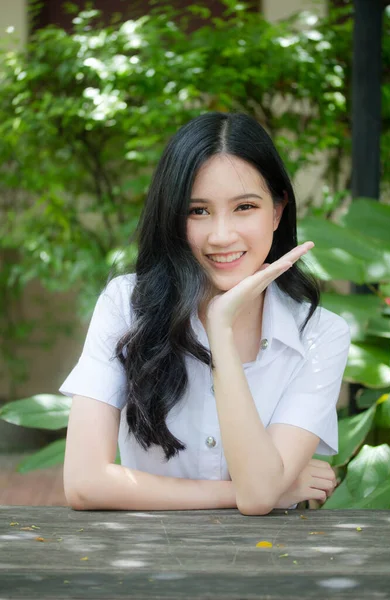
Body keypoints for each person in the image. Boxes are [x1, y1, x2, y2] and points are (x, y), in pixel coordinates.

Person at [59, 111, 351, 514]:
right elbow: (84, 483)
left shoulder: (319, 334)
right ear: (174, 219)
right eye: (198, 211)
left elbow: (259, 497)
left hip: (273, 565)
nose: (221, 235)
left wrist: (220, 327)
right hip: (146, 559)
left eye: (245, 207)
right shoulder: (127, 305)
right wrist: (250, 490)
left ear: (277, 211)